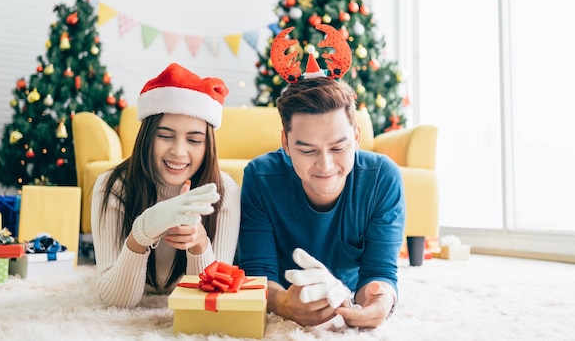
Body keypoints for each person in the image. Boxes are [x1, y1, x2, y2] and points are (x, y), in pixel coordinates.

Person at [238, 25, 405, 329]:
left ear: (356, 136)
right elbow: (257, 273)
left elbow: (380, 272)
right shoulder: (260, 177)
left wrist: (379, 302)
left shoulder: (382, 178)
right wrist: (283, 303)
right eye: (307, 150)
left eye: (339, 147)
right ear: (286, 144)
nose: (326, 165)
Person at [91, 63, 240, 308]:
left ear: (207, 146)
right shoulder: (112, 186)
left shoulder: (223, 191)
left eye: (194, 139)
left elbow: (210, 303)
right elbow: (116, 303)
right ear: (147, 137)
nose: (179, 152)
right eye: (165, 135)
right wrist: (142, 231)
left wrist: (199, 243)